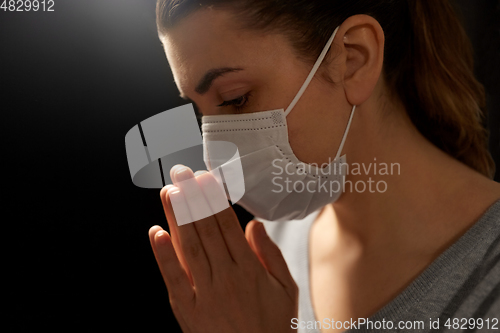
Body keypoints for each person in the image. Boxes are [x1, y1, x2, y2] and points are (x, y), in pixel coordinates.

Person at [148, 0, 500, 332]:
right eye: (201, 112)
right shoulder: (269, 251)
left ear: (353, 59)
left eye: (235, 99)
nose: (213, 160)